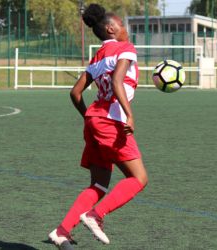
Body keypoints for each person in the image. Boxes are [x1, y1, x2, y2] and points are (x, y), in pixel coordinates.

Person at [48, 4, 148, 248]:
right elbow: (117, 81)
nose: (126, 30)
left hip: (94, 119)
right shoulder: (126, 48)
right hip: (112, 121)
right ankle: (95, 215)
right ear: (111, 28)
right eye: (122, 26)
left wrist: (88, 117)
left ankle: (62, 232)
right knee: (138, 178)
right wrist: (129, 114)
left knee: (99, 184)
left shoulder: (97, 57)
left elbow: (75, 93)